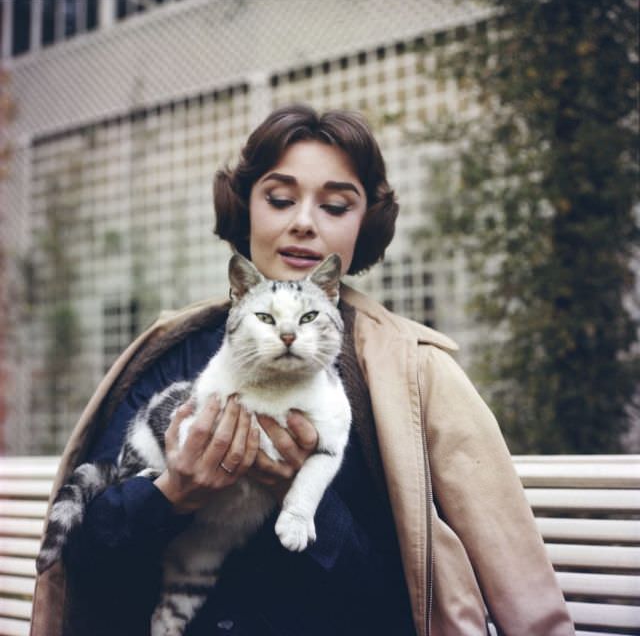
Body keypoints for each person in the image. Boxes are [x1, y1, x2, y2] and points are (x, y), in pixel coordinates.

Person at [31, 105, 575, 636]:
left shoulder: (414, 373)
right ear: (247, 208)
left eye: (336, 207)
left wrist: (306, 495)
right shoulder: (169, 351)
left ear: (365, 226)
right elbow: (83, 562)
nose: (303, 224)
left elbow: (414, 602)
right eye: (281, 198)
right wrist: (172, 493)